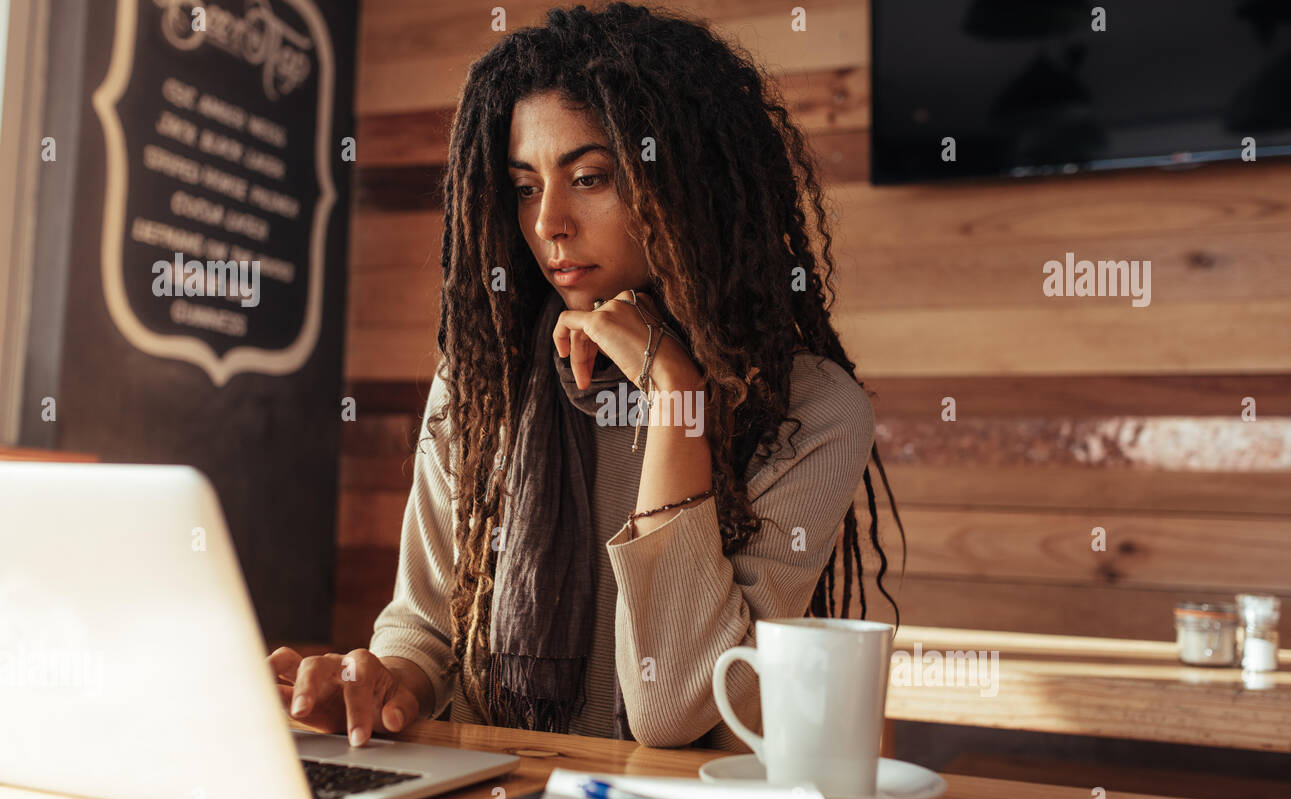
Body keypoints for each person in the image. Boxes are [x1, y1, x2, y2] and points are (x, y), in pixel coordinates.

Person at [269, 2, 903, 751]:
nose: (548, 224)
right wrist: (387, 685)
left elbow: (677, 703)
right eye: (526, 186)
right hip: (497, 796)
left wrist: (677, 397)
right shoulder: (481, 382)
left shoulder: (811, 410)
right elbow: (426, 626)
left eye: (592, 177)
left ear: (689, 183)